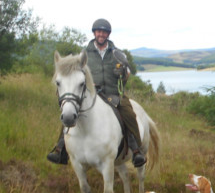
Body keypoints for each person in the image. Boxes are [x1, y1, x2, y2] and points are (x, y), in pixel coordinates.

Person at [47, 18, 146, 167]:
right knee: (70, 112)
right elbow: (75, 74)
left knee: (128, 113)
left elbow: (127, 75)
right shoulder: (84, 55)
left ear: (108, 34)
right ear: (94, 33)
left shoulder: (117, 54)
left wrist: (122, 73)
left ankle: (136, 150)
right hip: (91, 93)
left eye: (104, 32)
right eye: (99, 31)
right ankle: (60, 149)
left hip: (113, 93)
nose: (101, 34)